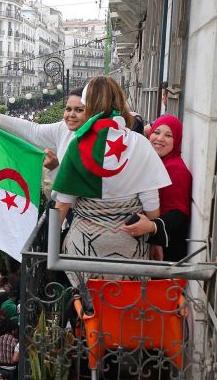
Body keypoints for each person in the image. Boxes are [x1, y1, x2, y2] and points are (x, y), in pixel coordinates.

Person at [50, 76, 171, 285]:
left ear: (88, 105)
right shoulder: (139, 142)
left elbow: (62, 204)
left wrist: (50, 255)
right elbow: (151, 199)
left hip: (85, 250)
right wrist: (155, 240)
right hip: (131, 246)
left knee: (89, 307)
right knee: (126, 307)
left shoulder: (78, 144)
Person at [122, 114, 192, 262]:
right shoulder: (153, 162)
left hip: (167, 249)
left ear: (177, 140)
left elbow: (178, 214)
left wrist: (154, 229)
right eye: (156, 132)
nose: (160, 138)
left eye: (168, 135)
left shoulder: (176, 169)